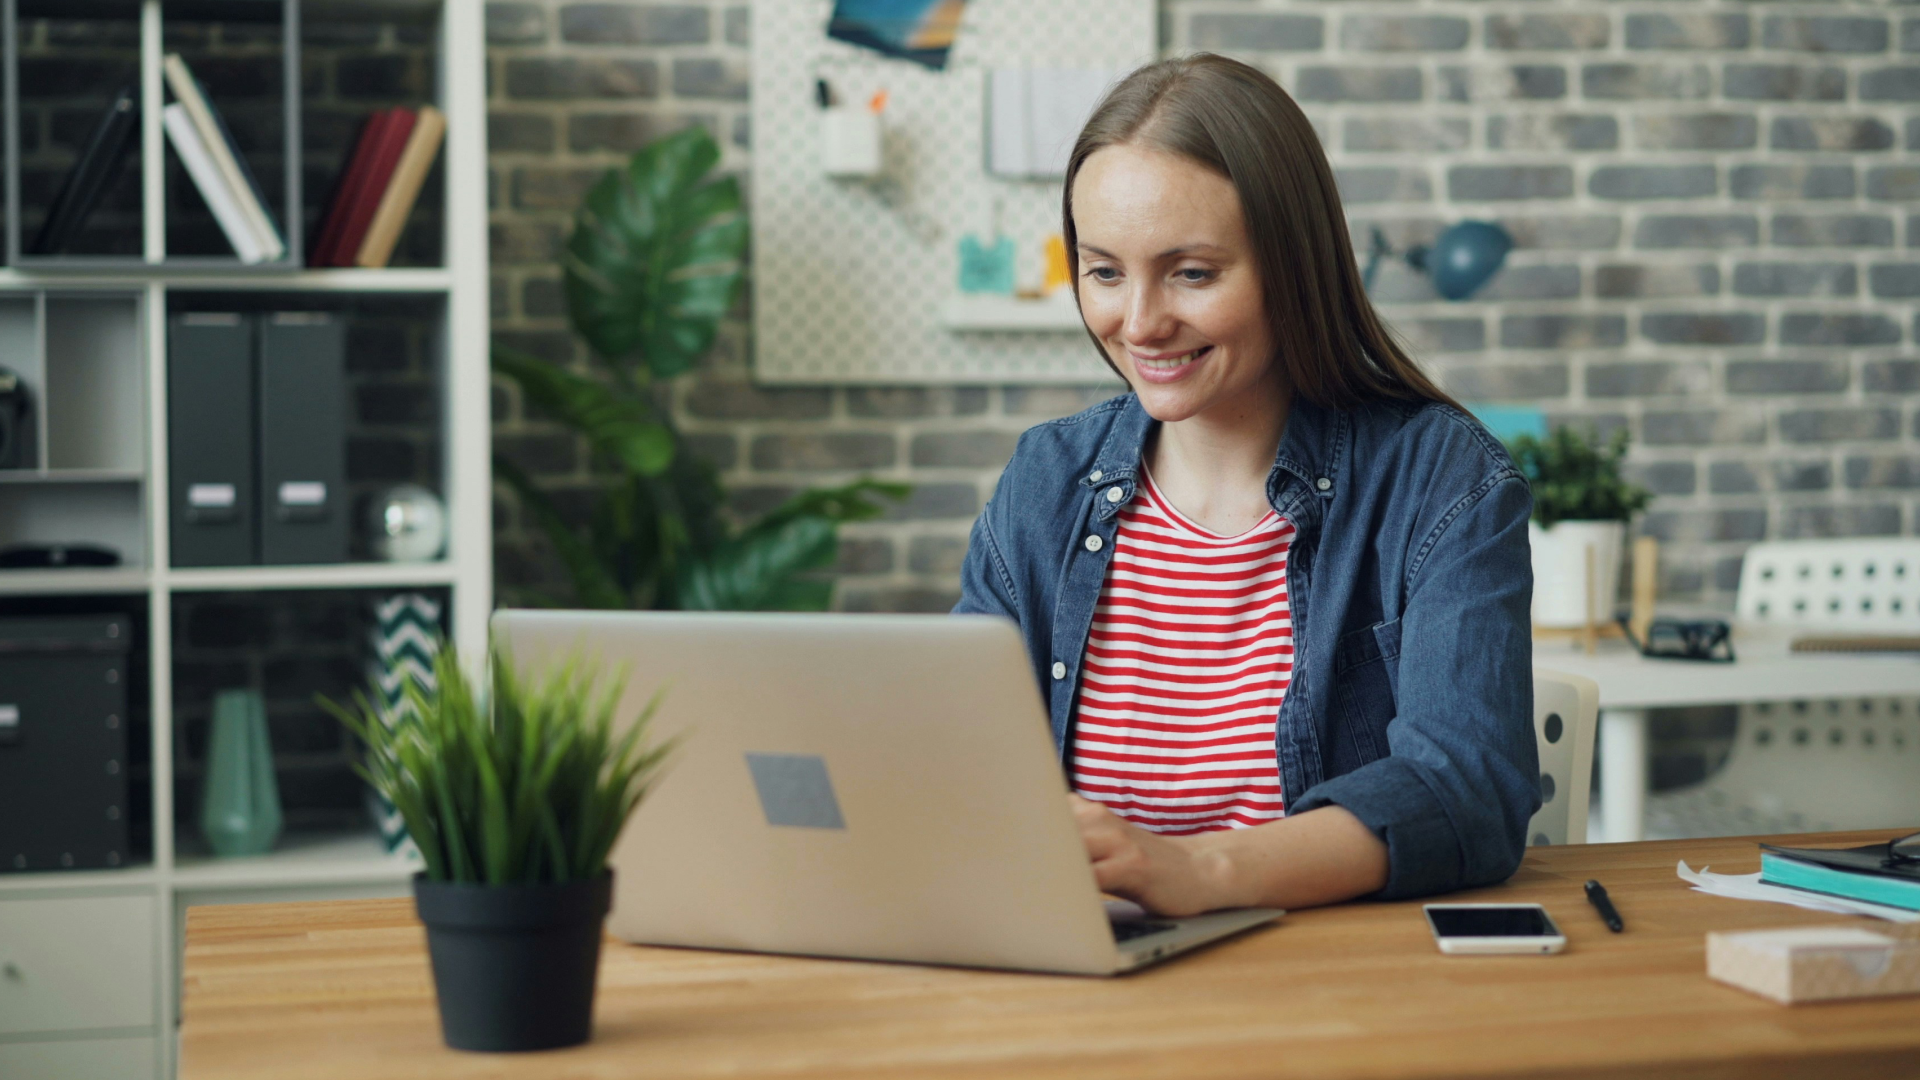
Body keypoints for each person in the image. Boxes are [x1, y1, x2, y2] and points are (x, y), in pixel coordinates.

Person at [955, 54, 1537, 917]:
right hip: (1086, 967)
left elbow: (1467, 790)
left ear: (1291, 266)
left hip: (1328, 973)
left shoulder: (1439, 479)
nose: (1140, 323)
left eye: (1191, 273)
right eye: (1105, 272)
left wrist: (1200, 873)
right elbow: (959, 764)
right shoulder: (1045, 483)